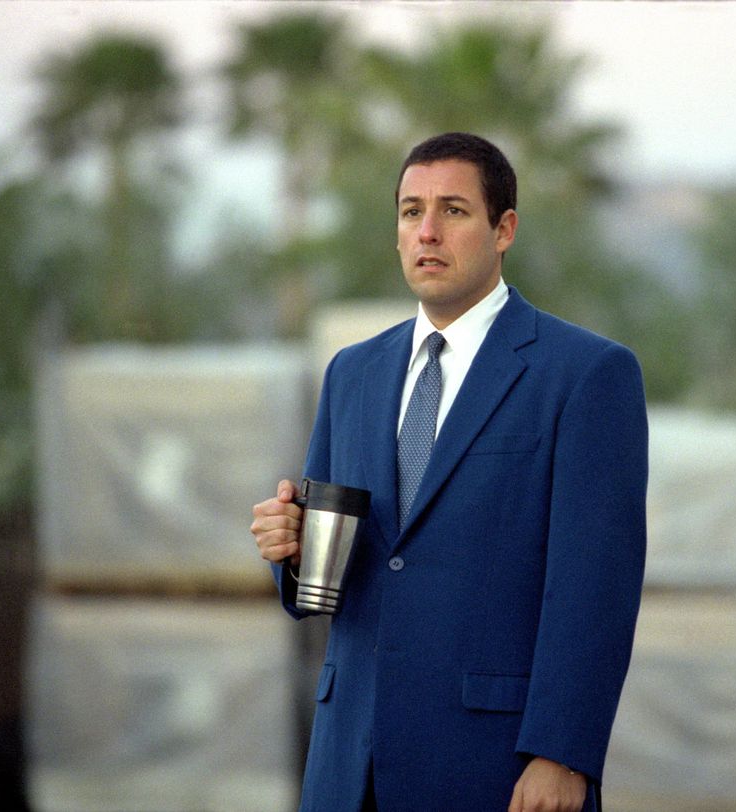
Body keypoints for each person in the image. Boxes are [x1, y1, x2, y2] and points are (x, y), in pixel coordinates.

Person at [252, 132, 648, 812]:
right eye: (411, 212)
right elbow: (331, 576)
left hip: (495, 768)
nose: (427, 232)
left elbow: (595, 585)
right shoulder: (352, 372)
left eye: (453, 211)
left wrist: (561, 753)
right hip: (349, 767)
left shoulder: (583, 374)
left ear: (504, 229)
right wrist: (286, 546)